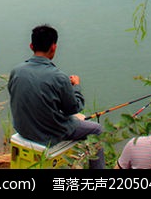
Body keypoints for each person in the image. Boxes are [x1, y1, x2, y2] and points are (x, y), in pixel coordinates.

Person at [7, 24, 105, 169]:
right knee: (97, 130)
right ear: (53, 47)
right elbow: (74, 108)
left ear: (31, 46)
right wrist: (76, 86)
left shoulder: (16, 71)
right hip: (48, 134)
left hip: (23, 129)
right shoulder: (59, 77)